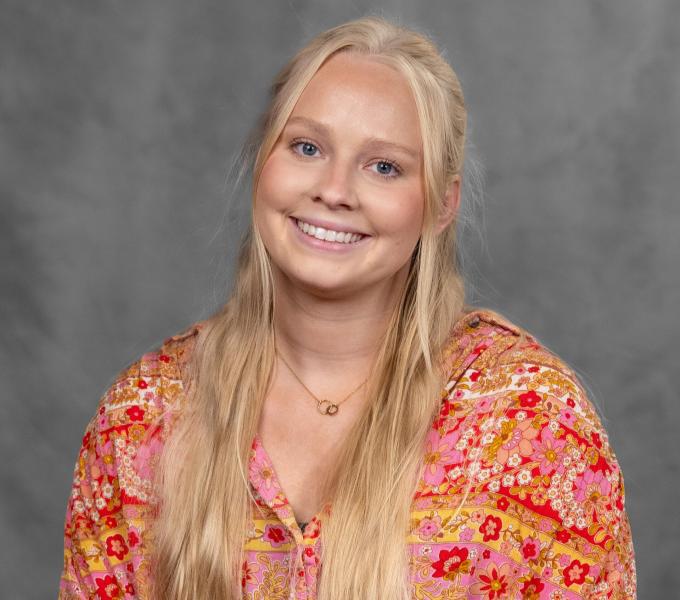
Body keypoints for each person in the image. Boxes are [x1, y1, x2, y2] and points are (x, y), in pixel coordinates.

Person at [58, 15, 636, 600]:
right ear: (263, 165)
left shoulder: (530, 424)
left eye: (384, 166)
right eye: (307, 147)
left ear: (441, 205)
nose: (334, 190)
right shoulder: (143, 416)